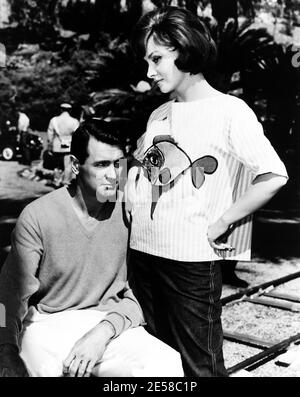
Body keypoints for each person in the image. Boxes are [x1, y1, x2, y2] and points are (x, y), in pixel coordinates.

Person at [127, 6, 288, 377]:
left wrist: (222, 223)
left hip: (192, 260)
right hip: (142, 255)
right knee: (155, 363)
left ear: (184, 49)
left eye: (157, 59)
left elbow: (273, 175)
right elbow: (144, 176)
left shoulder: (231, 111)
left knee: (200, 367)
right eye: (146, 61)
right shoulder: (158, 115)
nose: (149, 72)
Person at [0, 119, 183, 377]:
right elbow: (8, 295)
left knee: (165, 363)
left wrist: (104, 330)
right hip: (47, 323)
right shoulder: (38, 216)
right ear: (75, 165)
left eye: (118, 164)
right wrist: (6, 350)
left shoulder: (130, 211)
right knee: (45, 370)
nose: (112, 174)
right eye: (101, 165)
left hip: (109, 321)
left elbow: (145, 292)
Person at [46, 103, 79, 183]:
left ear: (61, 109)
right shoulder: (74, 121)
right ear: (70, 110)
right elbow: (77, 135)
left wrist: (50, 143)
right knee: (67, 165)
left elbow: (50, 134)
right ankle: (65, 181)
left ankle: (56, 180)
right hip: (69, 146)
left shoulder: (54, 120)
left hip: (56, 146)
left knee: (57, 165)